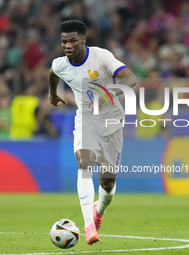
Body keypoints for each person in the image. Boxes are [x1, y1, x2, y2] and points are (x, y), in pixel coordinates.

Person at [48, 20, 136, 245]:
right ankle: (88, 226)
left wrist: (108, 92)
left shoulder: (101, 56)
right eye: (64, 42)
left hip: (111, 123)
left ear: (83, 40)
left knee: (107, 184)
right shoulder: (60, 64)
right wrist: (52, 94)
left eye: (73, 41)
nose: (68, 45)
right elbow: (53, 73)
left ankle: (99, 212)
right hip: (85, 121)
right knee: (84, 162)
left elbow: (130, 78)